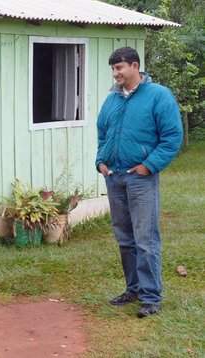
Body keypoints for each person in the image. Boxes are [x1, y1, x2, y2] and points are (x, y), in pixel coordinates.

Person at [95, 47, 183, 318]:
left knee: (145, 239)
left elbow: (171, 137)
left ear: (135, 66)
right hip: (115, 178)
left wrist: (148, 166)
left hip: (140, 180)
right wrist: (101, 162)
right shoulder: (112, 99)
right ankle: (132, 289)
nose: (115, 73)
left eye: (119, 68)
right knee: (125, 239)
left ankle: (151, 297)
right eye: (113, 69)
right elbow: (102, 133)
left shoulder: (158, 96)